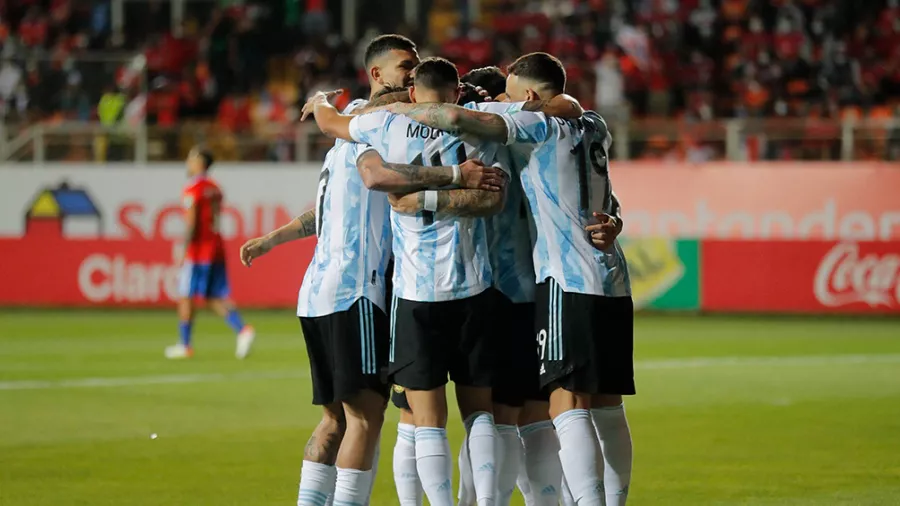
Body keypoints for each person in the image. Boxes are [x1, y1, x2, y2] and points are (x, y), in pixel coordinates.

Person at [378, 52, 635, 506]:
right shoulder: (594, 123)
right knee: (580, 410)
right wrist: (614, 219)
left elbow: (458, 117)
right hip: (585, 281)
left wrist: (399, 107)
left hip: (498, 287)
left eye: (513, 98)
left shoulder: (510, 128)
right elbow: (601, 186)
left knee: (476, 418)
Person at [309, 57, 510, 506]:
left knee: (427, 419)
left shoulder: (383, 124)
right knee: (480, 415)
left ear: (414, 92)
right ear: (457, 93)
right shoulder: (480, 128)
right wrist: (453, 190)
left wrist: (319, 101)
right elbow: (490, 201)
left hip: (416, 295)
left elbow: (333, 126)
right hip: (476, 287)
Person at [165, 147, 255, 360]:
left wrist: (183, 248)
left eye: (190, 158)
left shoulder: (193, 188)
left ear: (199, 162)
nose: (188, 162)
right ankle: (242, 330)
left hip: (198, 251)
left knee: (185, 295)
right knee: (212, 295)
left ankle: (185, 344)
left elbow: (192, 222)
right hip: (216, 247)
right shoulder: (215, 188)